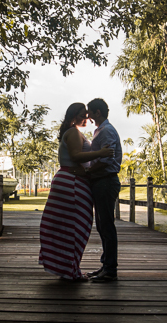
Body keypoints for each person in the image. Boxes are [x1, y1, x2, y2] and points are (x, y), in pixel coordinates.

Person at [38, 102, 114, 282]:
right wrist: (101, 153)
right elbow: (75, 156)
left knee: (73, 226)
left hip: (72, 181)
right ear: (73, 116)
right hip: (71, 182)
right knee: (74, 226)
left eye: (87, 115)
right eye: (82, 114)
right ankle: (70, 270)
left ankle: (69, 268)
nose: (86, 118)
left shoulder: (75, 132)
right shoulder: (72, 132)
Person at [85, 98, 122, 283]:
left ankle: (110, 269)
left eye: (90, 112)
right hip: (101, 181)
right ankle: (106, 265)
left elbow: (107, 159)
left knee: (106, 226)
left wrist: (88, 171)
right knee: (102, 226)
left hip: (105, 181)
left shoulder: (106, 131)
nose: (88, 115)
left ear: (97, 112)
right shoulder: (100, 130)